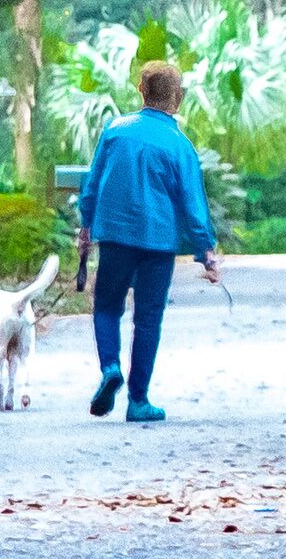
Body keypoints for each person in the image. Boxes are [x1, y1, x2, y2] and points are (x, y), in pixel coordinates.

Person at [77, 60, 222, 423]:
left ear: (141, 91)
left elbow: (93, 184)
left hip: (116, 236)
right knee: (148, 318)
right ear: (179, 98)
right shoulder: (180, 146)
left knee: (107, 306)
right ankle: (138, 401)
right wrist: (206, 252)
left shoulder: (115, 131)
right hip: (159, 243)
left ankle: (110, 366)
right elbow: (192, 203)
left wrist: (86, 225)